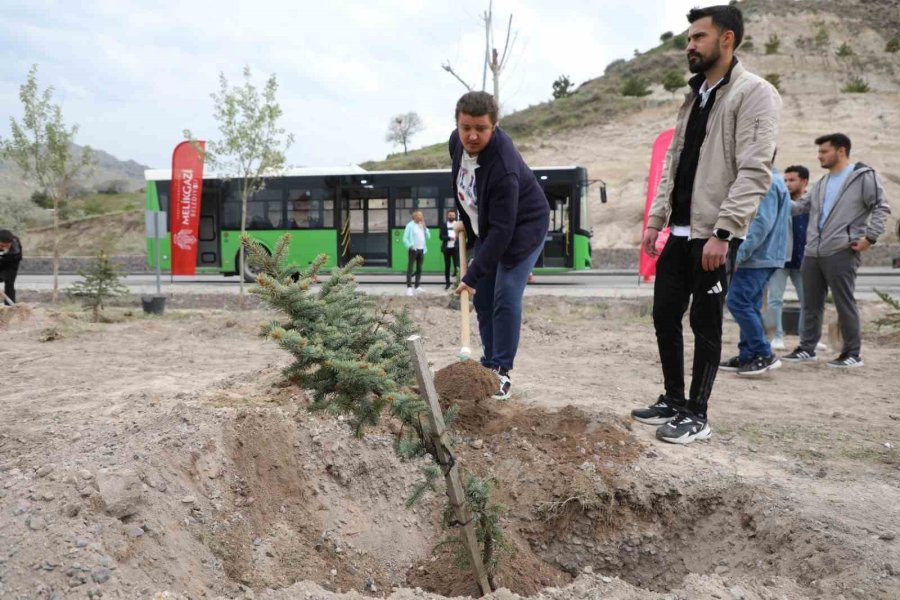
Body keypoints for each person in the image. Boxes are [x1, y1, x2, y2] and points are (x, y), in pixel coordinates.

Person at [631, 5, 782, 444]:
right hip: (677, 233)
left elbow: (755, 171)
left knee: (705, 322)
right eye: (689, 38)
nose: (689, 45)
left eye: (698, 37)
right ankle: (674, 400)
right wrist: (656, 220)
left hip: (712, 236)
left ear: (727, 38)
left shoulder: (754, 94)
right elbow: (673, 166)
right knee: (664, 317)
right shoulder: (694, 95)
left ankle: (698, 413)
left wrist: (724, 233)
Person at [450, 91, 550, 401]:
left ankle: (501, 372)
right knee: (482, 301)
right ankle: (488, 363)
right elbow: (460, 182)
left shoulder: (504, 166)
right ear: (457, 123)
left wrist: (470, 274)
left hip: (522, 229)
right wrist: (465, 217)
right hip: (490, 227)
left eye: (481, 128)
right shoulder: (456, 142)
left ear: (495, 126)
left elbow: (504, 231)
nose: (472, 135)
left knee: (504, 294)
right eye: (466, 127)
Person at [783, 133, 891, 368]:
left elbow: (881, 207)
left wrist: (869, 238)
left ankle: (852, 353)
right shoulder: (822, 182)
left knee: (844, 303)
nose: (819, 156)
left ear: (841, 151)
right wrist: (774, 194)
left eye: (824, 151)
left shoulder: (863, 176)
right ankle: (807, 348)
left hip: (842, 250)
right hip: (813, 252)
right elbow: (800, 207)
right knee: (811, 304)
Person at [720, 167, 791, 376]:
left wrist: (739, 254)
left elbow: (761, 223)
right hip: (764, 255)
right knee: (749, 304)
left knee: (737, 302)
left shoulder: (765, 181)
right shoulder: (771, 179)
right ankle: (748, 355)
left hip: (757, 256)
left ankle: (763, 353)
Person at [764, 165, 810, 350]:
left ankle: (807, 337)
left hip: (804, 259)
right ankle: (776, 336)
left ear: (804, 181)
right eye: (786, 180)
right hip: (780, 258)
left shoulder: (811, 203)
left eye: (792, 180)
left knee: (808, 300)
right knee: (775, 299)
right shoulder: (779, 199)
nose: (788, 184)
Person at [403, 210, 430, 296]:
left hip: (422, 249)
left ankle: (417, 286)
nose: (421, 217)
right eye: (419, 216)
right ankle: (409, 288)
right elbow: (405, 238)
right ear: (414, 217)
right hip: (413, 250)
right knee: (410, 269)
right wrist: (410, 246)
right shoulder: (410, 225)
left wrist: (425, 228)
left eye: (421, 216)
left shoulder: (422, 225)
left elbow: (428, 237)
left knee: (419, 268)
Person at [0, 229, 23, 304]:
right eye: (1, 245)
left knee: (9, 284)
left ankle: (10, 307)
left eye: (6, 246)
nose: (3, 247)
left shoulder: (15, 247)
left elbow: (15, 259)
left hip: (12, 264)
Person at [439, 209, 460, 289]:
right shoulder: (444, 225)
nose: (451, 216)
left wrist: (456, 237)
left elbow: (462, 235)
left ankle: (458, 283)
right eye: (450, 215)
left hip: (455, 248)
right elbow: (441, 237)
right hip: (446, 249)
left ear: (455, 216)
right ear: (447, 216)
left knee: (457, 266)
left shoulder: (457, 224)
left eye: (453, 215)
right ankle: (447, 284)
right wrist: (449, 238)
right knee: (447, 267)